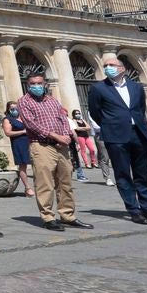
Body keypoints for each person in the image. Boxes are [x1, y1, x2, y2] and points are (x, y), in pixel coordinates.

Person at [88, 54, 147, 225]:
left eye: (111, 64)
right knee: (123, 174)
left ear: (122, 68)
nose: (107, 68)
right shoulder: (98, 88)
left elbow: (140, 109)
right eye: (105, 66)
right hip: (116, 136)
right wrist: (112, 125)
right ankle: (134, 210)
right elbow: (96, 113)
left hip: (139, 133)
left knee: (142, 173)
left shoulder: (136, 87)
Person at [18, 75, 93, 231]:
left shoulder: (53, 100)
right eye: (32, 84)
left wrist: (66, 135)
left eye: (39, 83)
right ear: (28, 85)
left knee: (65, 181)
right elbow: (31, 124)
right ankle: (48, 217)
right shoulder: (24, 101)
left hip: (62, 145)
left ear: (45, 84)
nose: (36, 86)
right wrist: (54, 135)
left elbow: (63, 118)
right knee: (45, 182)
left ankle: (67, 215)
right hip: (41, 145)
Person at [2, 100, 34, 197]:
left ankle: (39, 185)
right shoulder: (7, 119)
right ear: (8, 109)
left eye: (16, 108)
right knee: (22, 165)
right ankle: (27, 187)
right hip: (18, 143)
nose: (15, 110)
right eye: (12, 109)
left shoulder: (24, 118)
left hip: (30, 142)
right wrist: (23, 132)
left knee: (36, 163)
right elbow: (8, 133)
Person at [90, 113, 115, 186]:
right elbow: (96, 126)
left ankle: (120, 177)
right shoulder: (92, 111)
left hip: (112, 133)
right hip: (100, 135)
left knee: (116, 155)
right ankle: (107, 178)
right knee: (105, 157)